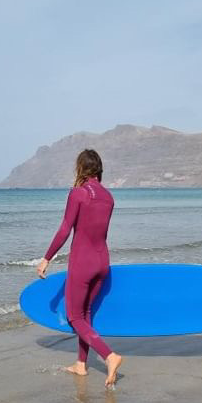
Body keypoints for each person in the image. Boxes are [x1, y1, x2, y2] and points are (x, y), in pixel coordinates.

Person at [37, 149, 123, 388]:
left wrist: (46, 258)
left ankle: (109, 356)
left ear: (81, 168)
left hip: (83, 262)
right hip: (102, 262)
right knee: (85, 315)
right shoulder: (109, 198)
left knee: (75, 318)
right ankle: (81, 365)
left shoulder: (79, 193)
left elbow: (66, 228)